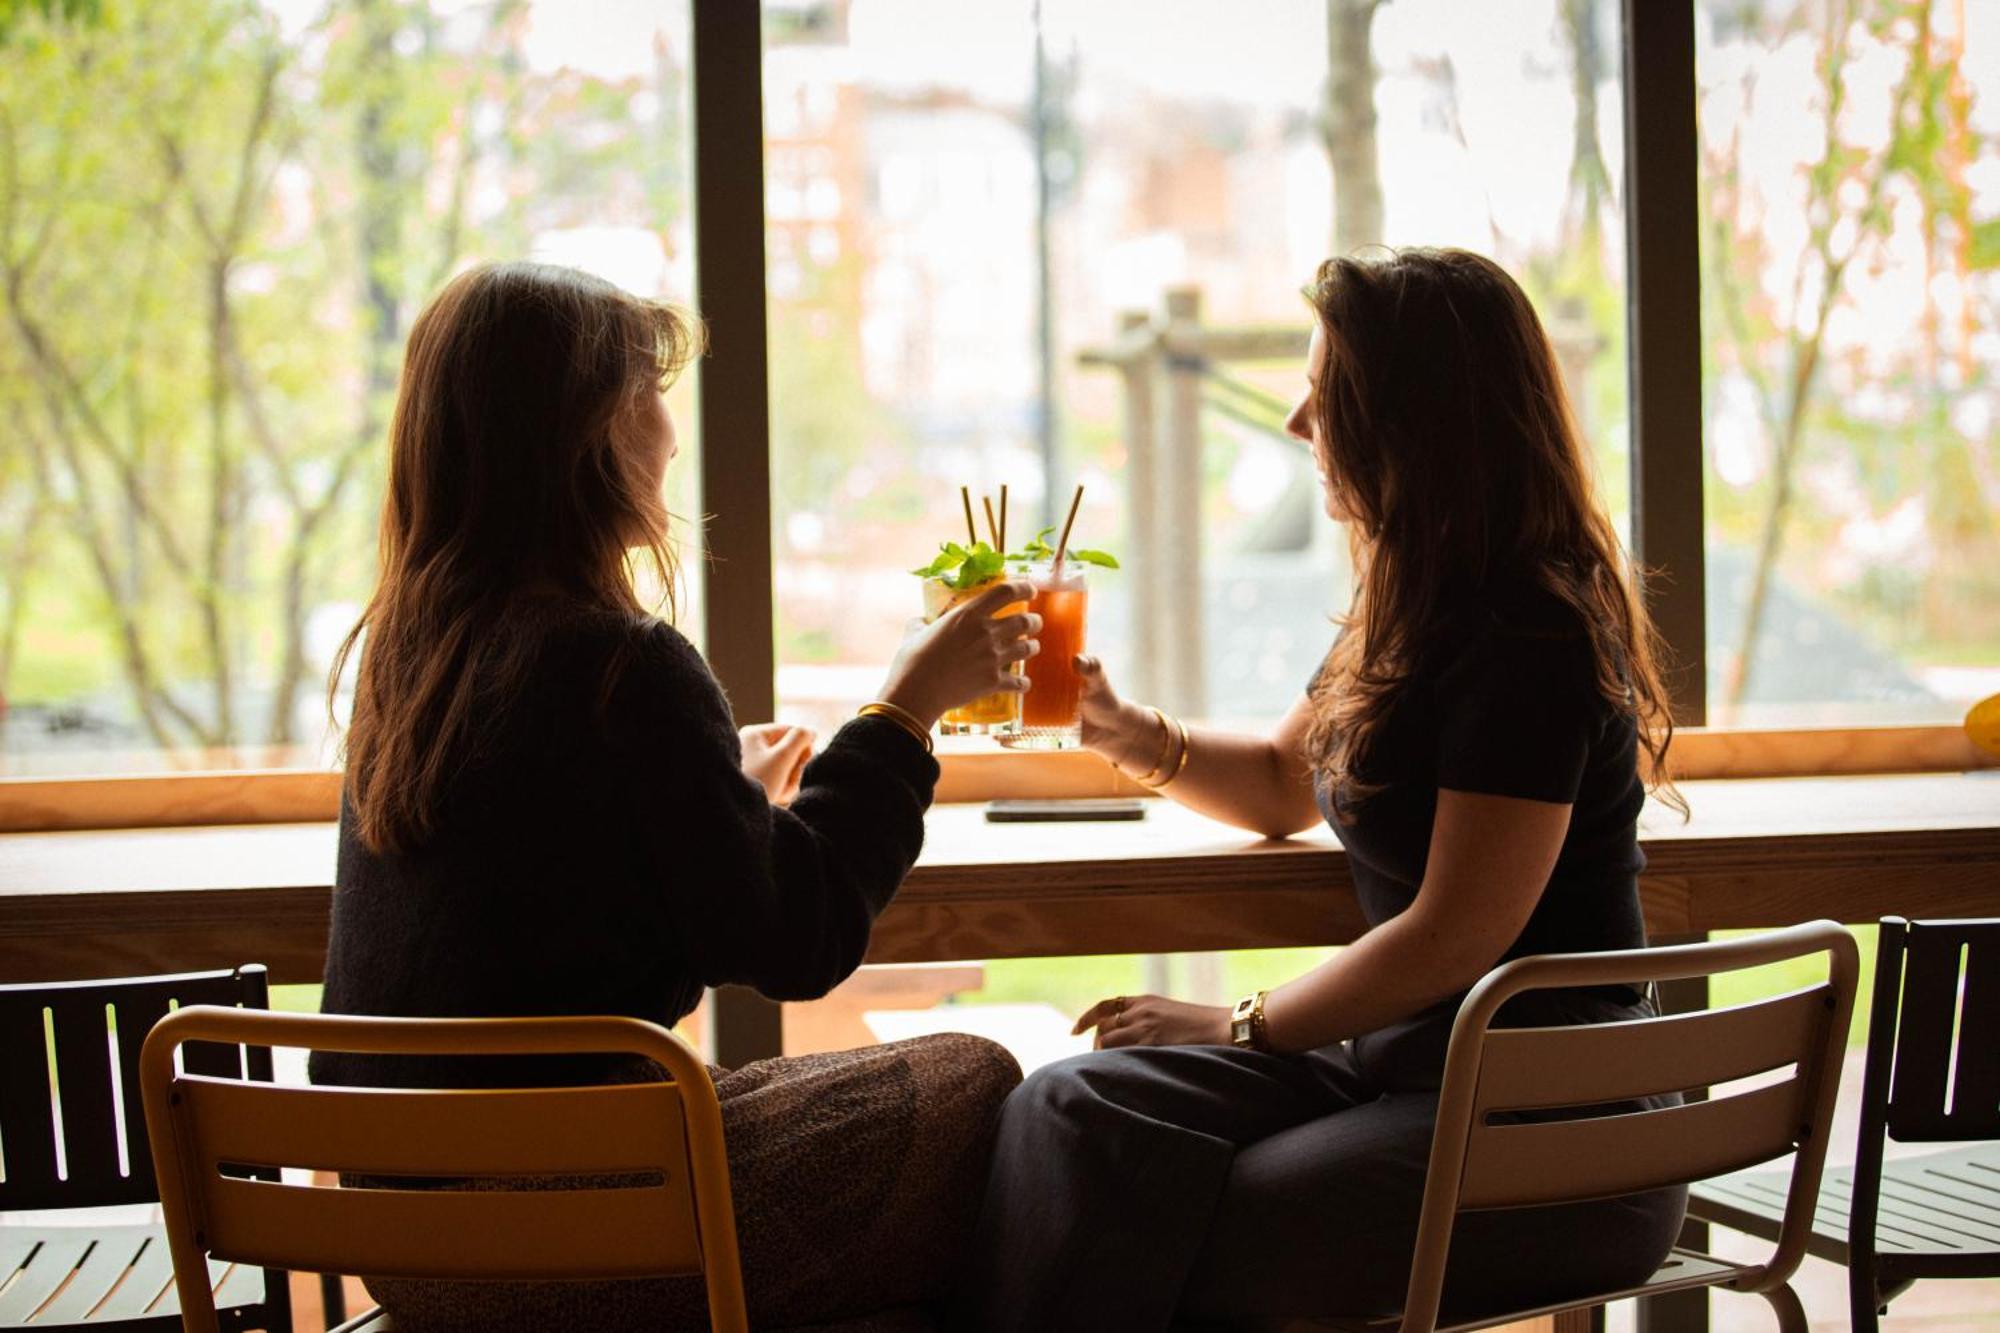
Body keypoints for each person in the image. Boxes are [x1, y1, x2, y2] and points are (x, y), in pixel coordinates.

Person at [947, 248, 1688, 1332]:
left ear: (1414, 421)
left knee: (1196, 1218)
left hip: (1553, 1118)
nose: (1298, 424)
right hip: (1413, 1073)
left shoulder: (1526, 632)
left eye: (1323, 394)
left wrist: (1234, 1022)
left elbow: (1450, 936)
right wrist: (1118, 727)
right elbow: (1278, 787)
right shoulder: (1414, 602)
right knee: (1068, 1104)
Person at [312, 261, 1038, 1332]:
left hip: (403, 1244)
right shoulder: (622, 666)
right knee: (975, 1076)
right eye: (647, 396)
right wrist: (906, 706)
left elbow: (546, 895)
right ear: (588, 435)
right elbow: (797, 940)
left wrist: (719, 800)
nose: (671, 431)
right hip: (566, 1228)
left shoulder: (410, 659)